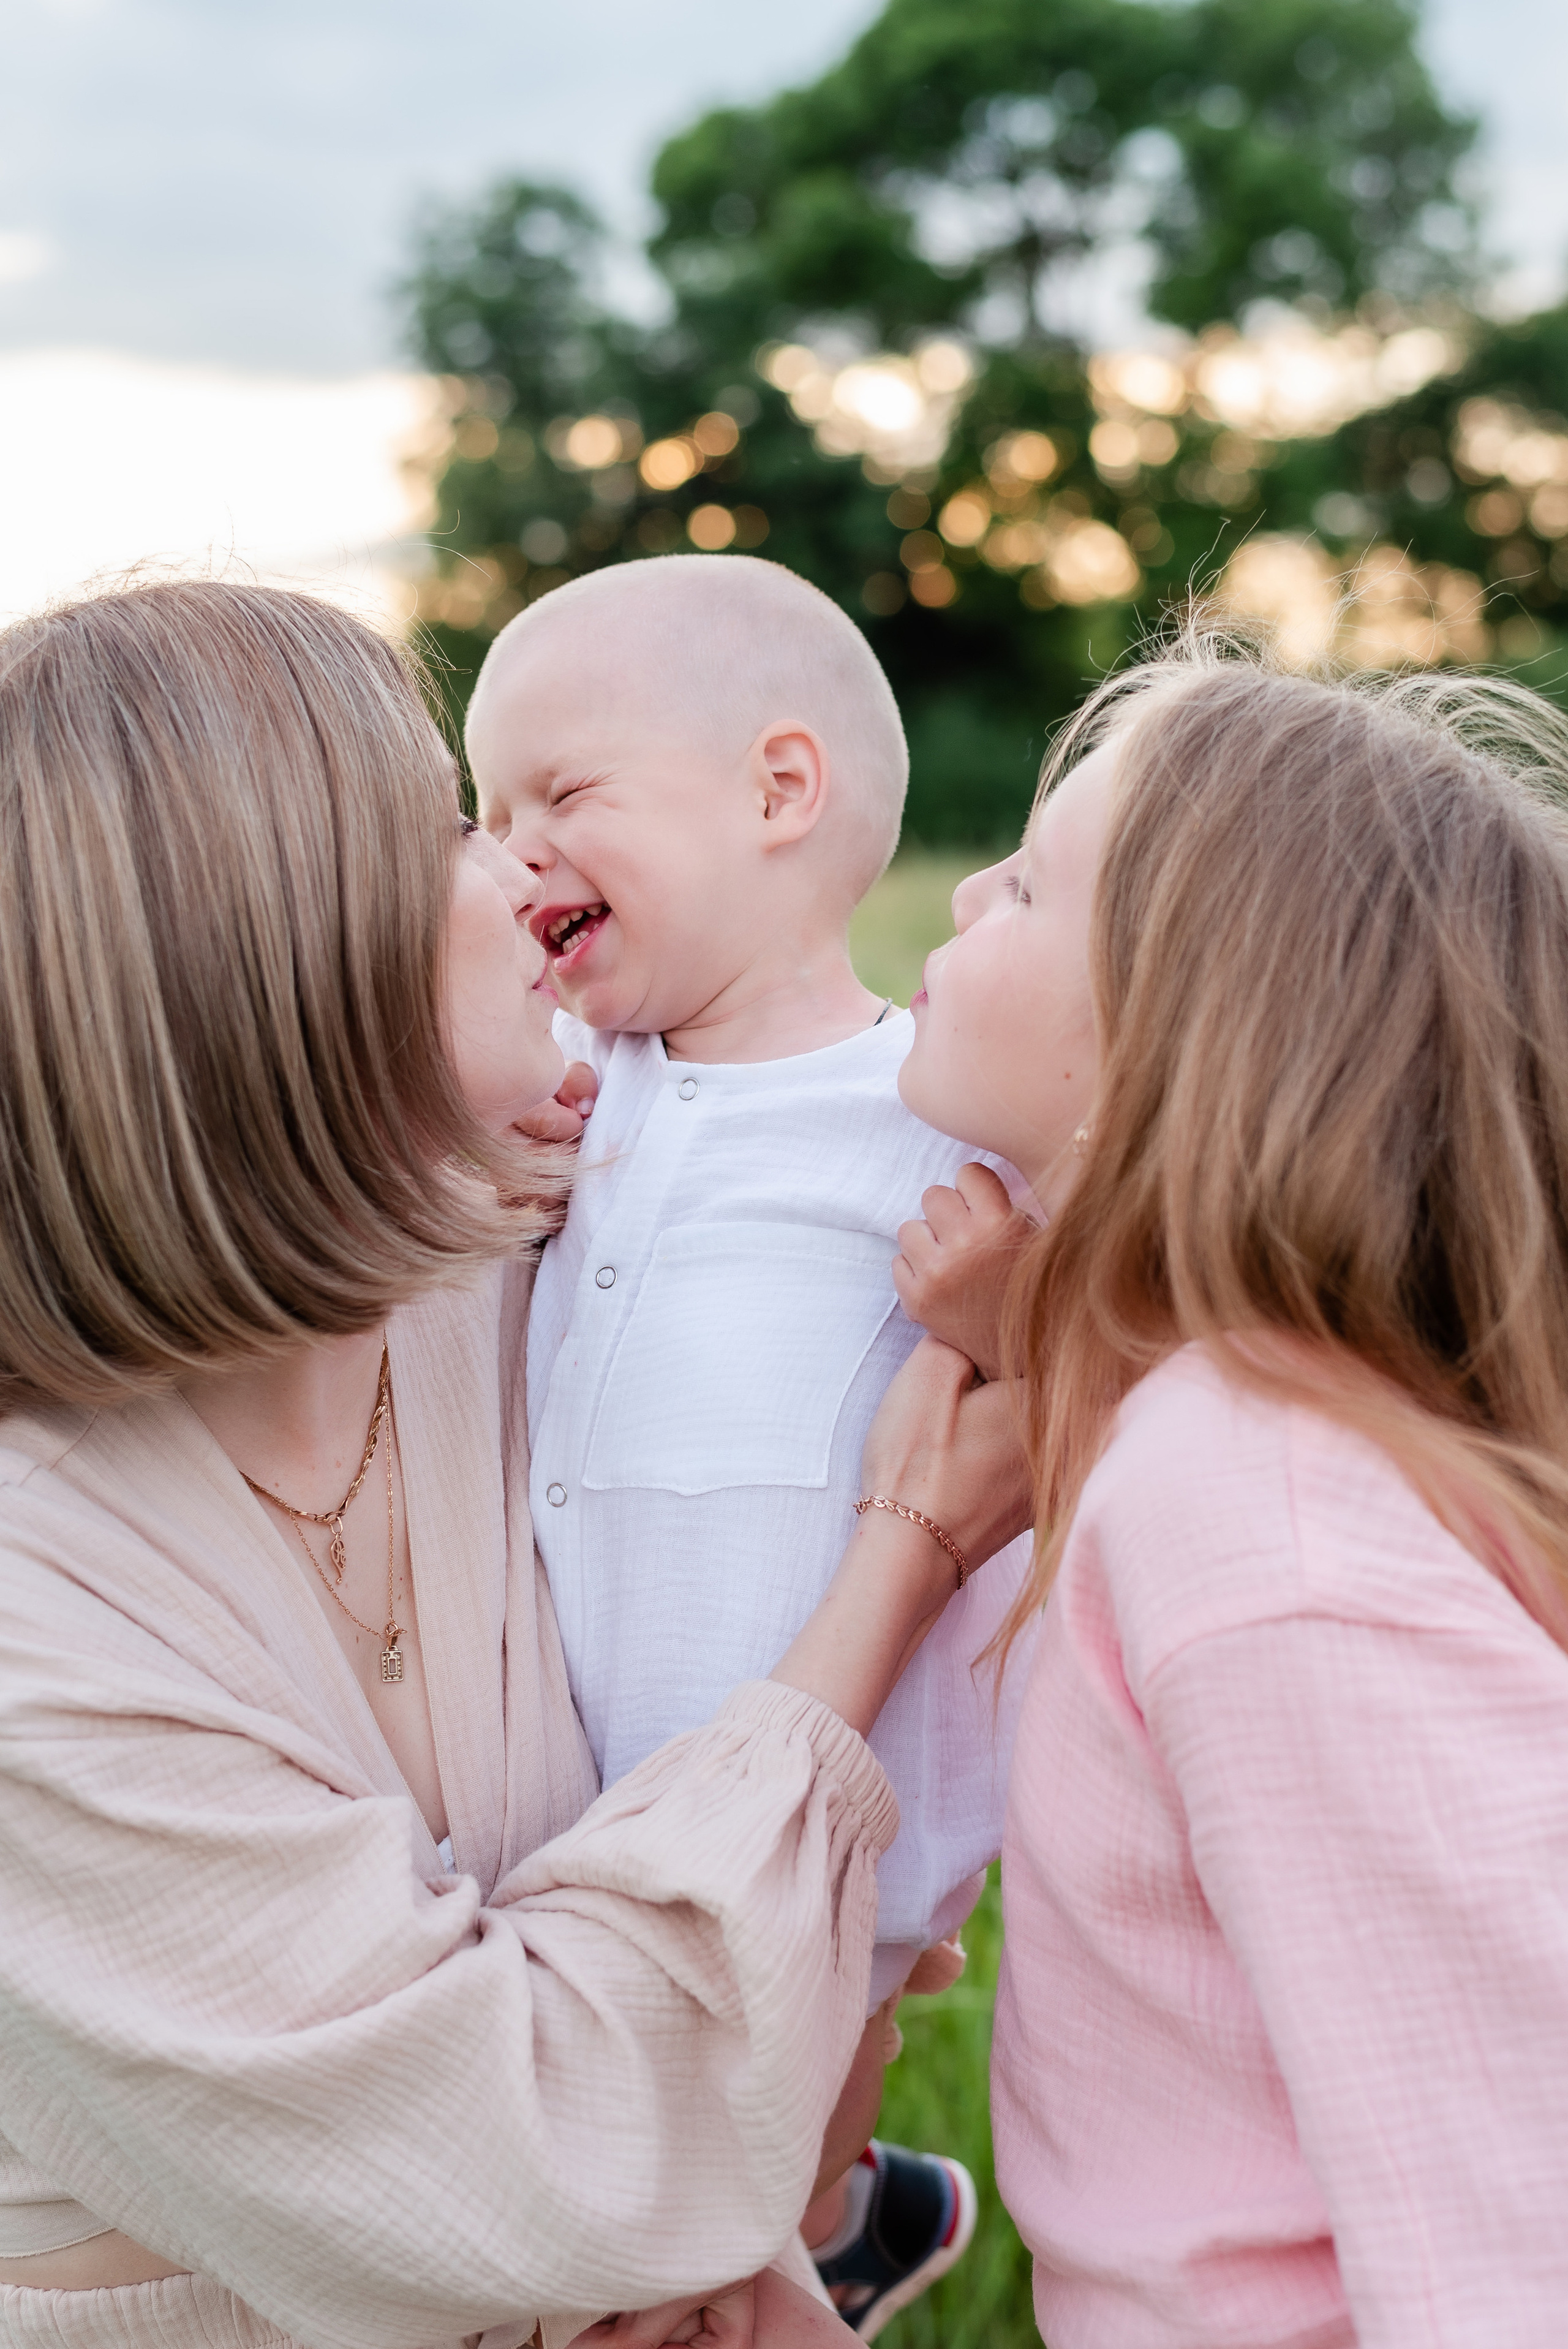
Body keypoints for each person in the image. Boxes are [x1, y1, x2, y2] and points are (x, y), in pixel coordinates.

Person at [0, 579, 1028, 2349]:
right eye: (444, 828)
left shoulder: (510, 1276)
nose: (509, 875)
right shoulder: (43, 1616)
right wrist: (905, 1553)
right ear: (284, 960)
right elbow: (555, 2171)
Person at [892, 630, 1568, 2349]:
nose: (966, 895)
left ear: (1165, 1054)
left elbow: (1514, 2224)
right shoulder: (1222, 1436)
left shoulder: (1256, 1514)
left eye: (1031, 888)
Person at [466, 556, 1035, 2339]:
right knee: (604, 2147)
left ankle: (822, 2234)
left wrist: (1011, 1314)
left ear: (778, 794)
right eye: (487, 815)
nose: (512, 852)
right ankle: (835, 2227)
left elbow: (1081, 1396)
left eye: (562, 795)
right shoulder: (569, 1087)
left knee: (747, 2180)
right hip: (576, 1784)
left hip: (832, 1798)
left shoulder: (922, 1113)